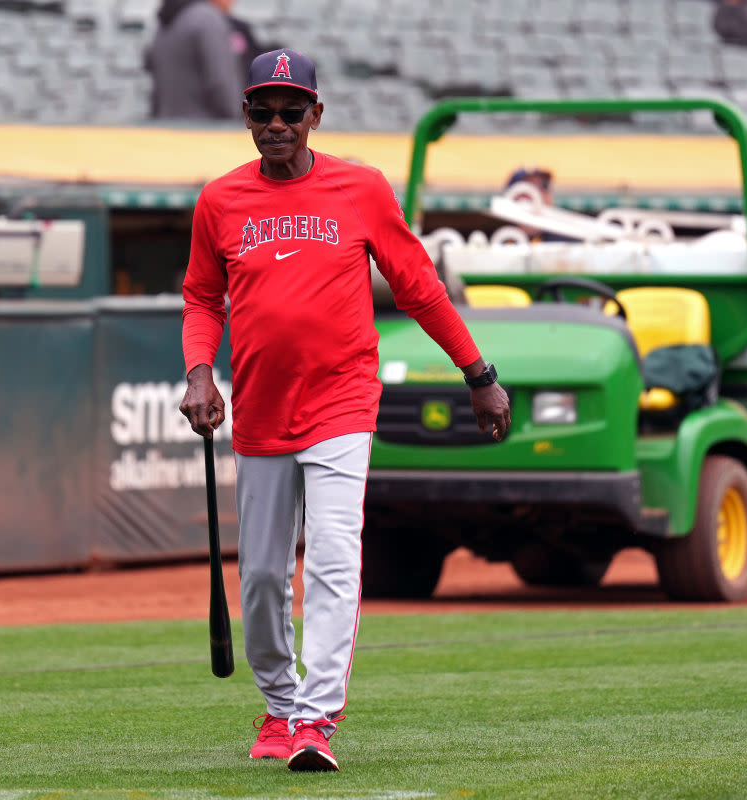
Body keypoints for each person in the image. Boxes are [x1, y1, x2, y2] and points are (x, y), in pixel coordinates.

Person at [178, 49, 510, 772]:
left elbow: (418, 285)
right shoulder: (220, 201)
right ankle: (278, 703)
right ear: (245, 116)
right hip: (262, 412)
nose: (276, 123)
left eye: (291, 110)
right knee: (264, 577)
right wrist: (200, 372)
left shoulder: (360, 190)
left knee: (332, 556)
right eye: (262, 110)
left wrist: (477, 373)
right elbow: (203, 297)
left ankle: (316, 721)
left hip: (343, 402)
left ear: (315, 115)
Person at [145, 0, 242, 120]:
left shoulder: (165, 23)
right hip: (205, 131)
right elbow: (221, 85)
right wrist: (234, 122)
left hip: (168, 129)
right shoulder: (208, 20)